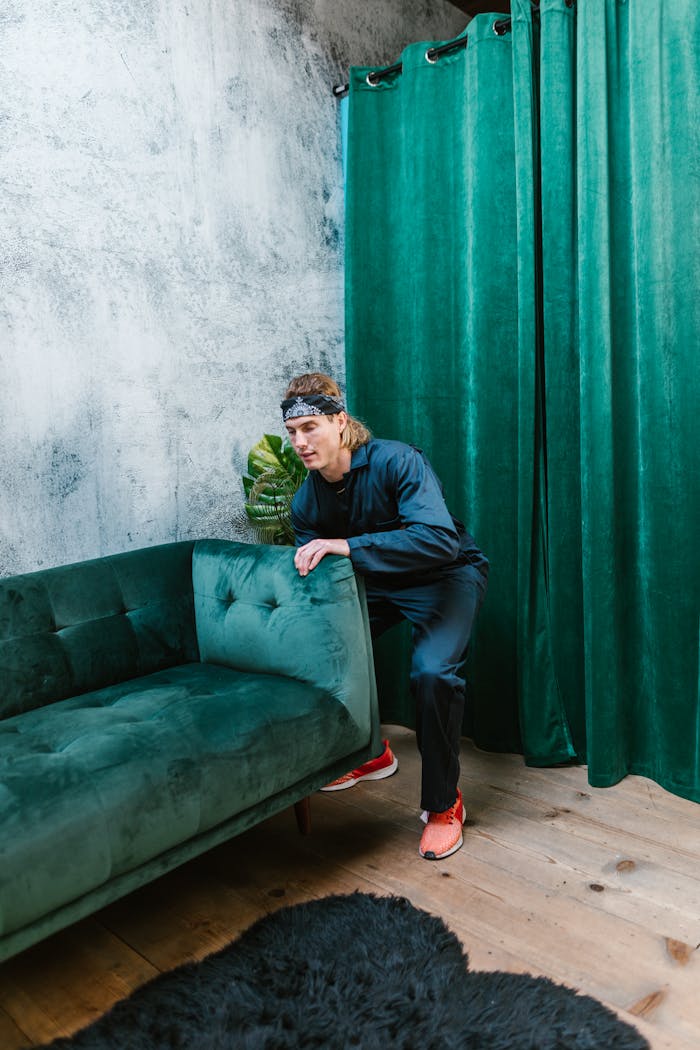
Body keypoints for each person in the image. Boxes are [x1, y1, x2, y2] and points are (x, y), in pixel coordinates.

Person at [282, 373, 488, 860]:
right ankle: (370, 752)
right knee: (327, 648)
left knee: (434, 673)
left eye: (310, 427)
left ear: (339, 421)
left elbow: (439, 539)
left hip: (446, 576)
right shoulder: (306, 501)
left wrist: (347, 545)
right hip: (377, 584)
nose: (299, 442)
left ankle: (444, 805)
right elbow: (320, 576)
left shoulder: (398, 461)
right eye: (292, 433)